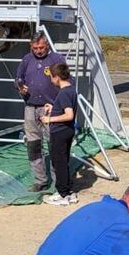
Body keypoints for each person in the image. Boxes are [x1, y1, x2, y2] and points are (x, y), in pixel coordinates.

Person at [15, 33, 66, 192]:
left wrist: (61, 105)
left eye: (41, 47)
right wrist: (20, 85)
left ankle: (59, 182)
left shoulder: (57, 59)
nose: (38, 51)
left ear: (47, 46)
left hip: (51, 109)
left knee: (54, 145)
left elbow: (66, 82)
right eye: (35, 48)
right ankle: (40, 181)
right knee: (33, 146)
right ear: (31, 46)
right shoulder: (26, 59)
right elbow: (18, 78)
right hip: (30, 108)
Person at [40, 62, 78, 206]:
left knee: (59, 163)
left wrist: (49, 119)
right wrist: (53, 107)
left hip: (60, 132)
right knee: (64, 161)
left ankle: (62, 194)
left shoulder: (63, 93)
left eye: (51, 76)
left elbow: (69, 115)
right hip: (67, 131)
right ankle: (68, 192)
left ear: (56, 77)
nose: (50, 80)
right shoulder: (71, 90)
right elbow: (64, 108)